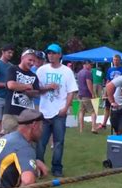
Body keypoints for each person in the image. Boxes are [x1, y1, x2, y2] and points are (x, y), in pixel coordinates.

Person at [36, 43, 78, 177]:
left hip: (59, 112)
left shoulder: (66, 71)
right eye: (49, 53)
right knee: (40, 142)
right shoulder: (41, 70)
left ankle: (57, 168)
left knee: (59, 142)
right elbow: (36, 89)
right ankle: (39, 168)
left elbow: (72, 91)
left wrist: (65, 108)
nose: (51, 55)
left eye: (54, 53)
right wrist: (48, 87)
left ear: (60, 55)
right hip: (44, 112)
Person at [2, 49, 41, 135]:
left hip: (27, 115)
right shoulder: (13, 69)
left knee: (25, 142)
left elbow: (36, 93)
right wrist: (27, 86)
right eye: (30, 60)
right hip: (11, 113)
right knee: (9, 141)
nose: (32, 63)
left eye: (34, 61)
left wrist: (28, 91)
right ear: (22, 58)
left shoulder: (33, 76)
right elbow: (11, 85)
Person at [98, 54, 122, 130]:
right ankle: (104, 123)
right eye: (114, 60)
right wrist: (105, 93)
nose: (115, 61)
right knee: (107, 108)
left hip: (118, 92)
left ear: (120, 61)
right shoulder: (110, 70)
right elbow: (108, 81)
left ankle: (117, 124)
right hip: (110, 91)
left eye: (117, 60)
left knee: (117, 108)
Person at [76, 61, 97, 134]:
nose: (91, 66)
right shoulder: (88, 73)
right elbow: (89, 84)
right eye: (90, 65)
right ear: (86, 64)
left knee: (81, 111)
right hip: (87, 94)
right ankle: (93, 128)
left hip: (80, 94)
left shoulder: (79, 73)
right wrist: (93, 94)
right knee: (93, 111)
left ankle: (81, 129)